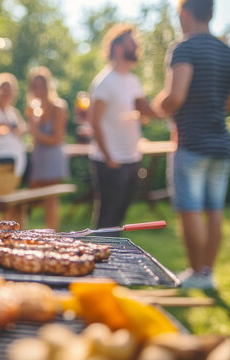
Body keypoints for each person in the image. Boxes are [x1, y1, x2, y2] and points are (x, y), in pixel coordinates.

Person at [153, 0, 230, 289]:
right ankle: (207, 275)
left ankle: (194, 272)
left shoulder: (184, 48)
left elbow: (175, 97)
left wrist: (157, 105)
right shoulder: (227, 51)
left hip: (191, 143)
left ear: (185, 14)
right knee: (214, 210)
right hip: (220, 144)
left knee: (189, 209)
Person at [88, 24, 160, 236]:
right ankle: (97, 259)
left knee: (119, 219)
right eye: (132, 42)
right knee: (107, 219)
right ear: (118, 47)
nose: (137, 46)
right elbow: (94, 122)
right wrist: (109, 156)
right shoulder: (104, 82)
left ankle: (111, 259)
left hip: (131, 158)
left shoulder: (134, 81)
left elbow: (143, 111)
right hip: (110, 160)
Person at [25, 66, 69, 231]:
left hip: (52, 157)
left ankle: (52, 233)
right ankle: (27, 230)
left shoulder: (58, 107)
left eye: (41, 85)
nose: (38, 89)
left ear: (48, 86)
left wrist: (35, 132)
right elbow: (32, 136)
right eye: (34, 86)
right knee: (32, 196)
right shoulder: (34, 109)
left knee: (50, 197)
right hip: (39, 158)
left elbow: (57, 138)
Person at [0, 72, 27, 177]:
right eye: (4, 89)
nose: (6, 93)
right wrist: (7, 127)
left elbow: (23, 130)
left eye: (9, 90)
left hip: (16, 151)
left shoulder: (14, 112)